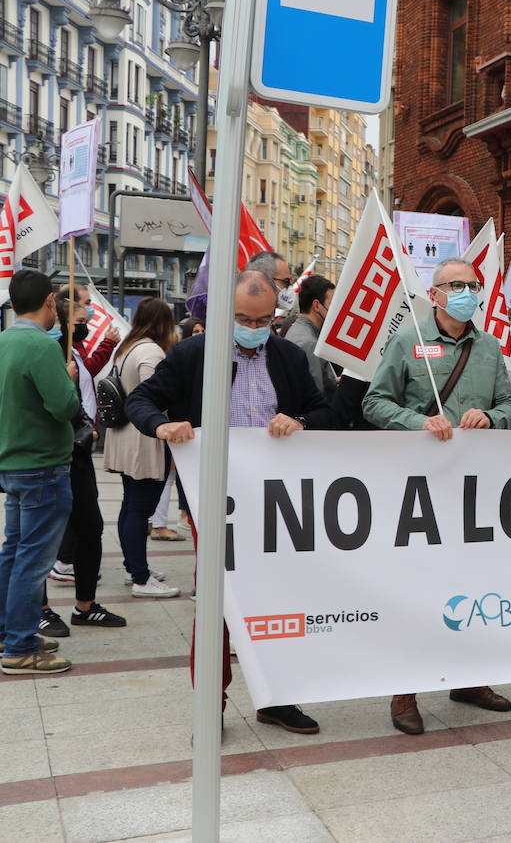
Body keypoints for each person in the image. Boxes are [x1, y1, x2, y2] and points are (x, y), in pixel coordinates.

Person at [127, 270, 332, 735]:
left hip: (277, 501)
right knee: (218, 600)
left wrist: (299, 420)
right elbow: (140, 400)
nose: (252, 327)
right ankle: (210, 705)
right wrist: (162, 425)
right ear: (223, 313)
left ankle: (277, 698)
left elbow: (324, 410)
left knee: (279, 598)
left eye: (262, 320)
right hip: (213, 497)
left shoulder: (288, 356)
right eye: (242, 318)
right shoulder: (192, 354)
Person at [363, 257, 511, 735]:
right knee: (417, 585)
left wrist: (491, 418)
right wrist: (418, 422)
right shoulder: (408, 341)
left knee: (473, 583)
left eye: (474, 285)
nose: (467, 291)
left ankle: (469, 678)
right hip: (419, 488)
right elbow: (373, 402)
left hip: (474, 489)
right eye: (457, 285)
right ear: (434, 295)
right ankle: (405, 690)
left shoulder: (491, 347)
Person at [0, 270, 80, 674]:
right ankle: (18, 647)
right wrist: (69, 379)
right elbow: (64, 408)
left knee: (14, 553)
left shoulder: (5, 341)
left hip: (14, 464)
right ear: (50, 301)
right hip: (43, 467)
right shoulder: (41, 346)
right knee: (31, 561)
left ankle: (11, 632)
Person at [37, 292, 128, 633]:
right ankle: (40, 609)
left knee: (90, 526)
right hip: (51, 453)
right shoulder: (49, 353)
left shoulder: (73, 351)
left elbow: (84, 382)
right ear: (60, 322)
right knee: (43, 533)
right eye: (79, 321)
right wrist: (68, 383)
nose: (85, 325)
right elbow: (56, 403)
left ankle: (85, 605)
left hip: (78, 452)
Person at [104, 298, 182, 599]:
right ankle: (140, 578)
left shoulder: (127, 346)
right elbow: (156, 393)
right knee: (140, 509)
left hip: (125, 436)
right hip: (144, 440)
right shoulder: (151, 350)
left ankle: (134, 566)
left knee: (130, 506)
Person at [284, 275, 337, 399]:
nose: (335, 309)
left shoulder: (298, 330)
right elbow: (315, 395)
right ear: (317, 305)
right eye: (332, 303)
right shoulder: (308, 342)